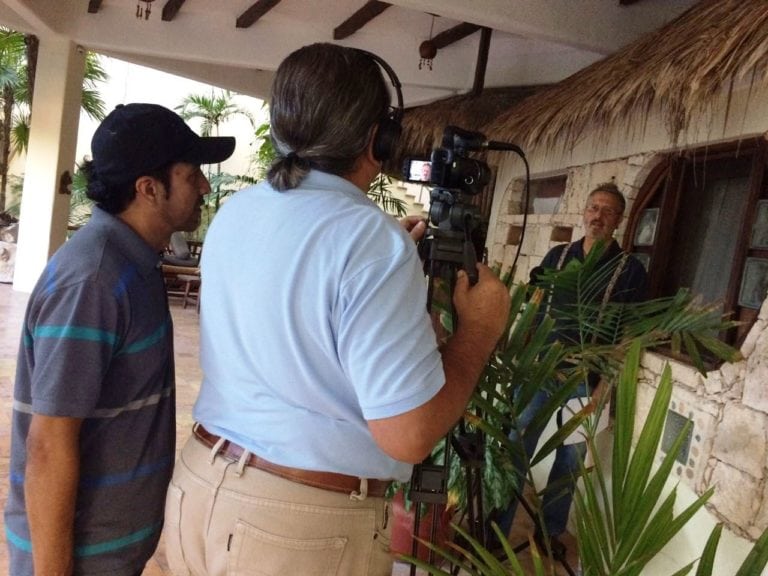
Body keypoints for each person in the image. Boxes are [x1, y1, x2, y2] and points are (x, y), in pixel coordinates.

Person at [163, 43, 511, 576]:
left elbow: (293, 301)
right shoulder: (369, 243)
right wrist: (478, 332)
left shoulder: (238, 212)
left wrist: (373, 264)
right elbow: (410, 434)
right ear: (380, 139)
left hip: (198, 490)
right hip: (296, 530)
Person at [4, 103, 235, 576]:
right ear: (149, 189)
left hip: (109, 554)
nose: (205, 187)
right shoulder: (93, 281)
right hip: (81, 560)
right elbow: (48, 444)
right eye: (192, 175)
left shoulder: (135, 265)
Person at [492, 182, 648, 558]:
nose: (598, 215)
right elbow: (533, 308)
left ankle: (550, 532)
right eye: (593, 207)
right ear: (584, 212)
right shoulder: (557, 257)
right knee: (516, 446)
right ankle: (494, 530)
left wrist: (603, 388)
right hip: (538, 372)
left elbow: (627, 335)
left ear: (619, 220)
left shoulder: (630, 271)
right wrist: (518, 356)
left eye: (607, 211)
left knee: (571, 459)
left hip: (585, 380)